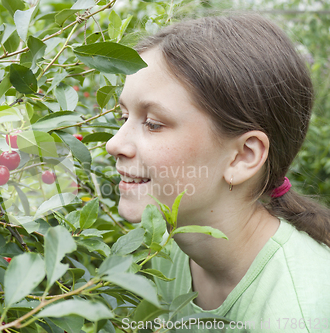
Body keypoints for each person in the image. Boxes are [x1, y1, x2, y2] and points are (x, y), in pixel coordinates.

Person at [105, 14, 330, 332]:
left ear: (242, 157)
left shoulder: (297, 316)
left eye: (153, 123)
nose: (114, 144)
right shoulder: (169, 248)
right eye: (123, 116)